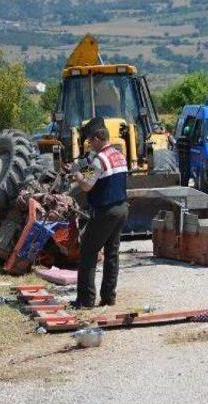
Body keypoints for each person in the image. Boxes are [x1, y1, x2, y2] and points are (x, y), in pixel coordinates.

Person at [72, 117, 129, 308]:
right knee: (112, 253)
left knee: (88, 252)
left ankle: (85, 300)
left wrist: (76, 172)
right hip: (122, 208)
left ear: (97, 138)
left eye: (90, 141)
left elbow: (87, 185)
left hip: (105, 210)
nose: (90, 145)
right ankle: (108, 297)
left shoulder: (99, 159)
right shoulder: (118, 154)